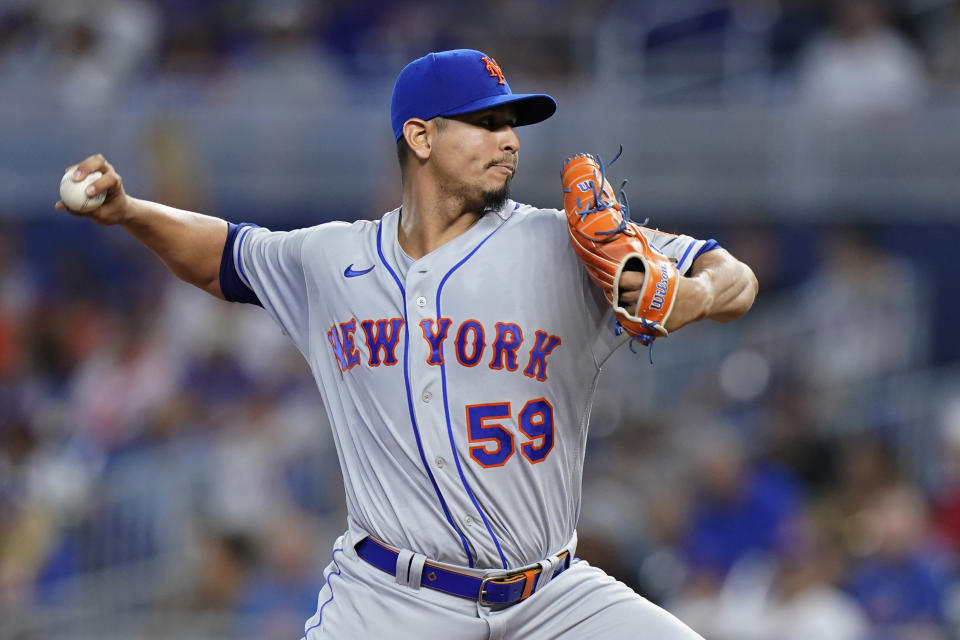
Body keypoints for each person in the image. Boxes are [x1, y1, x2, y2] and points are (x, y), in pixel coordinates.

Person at [58, 48, 757, 639]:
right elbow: (223, 254)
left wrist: (692, 294)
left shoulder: (559, 243)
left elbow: (733, 275)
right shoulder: (332, 260)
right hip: (389, 599)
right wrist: (129, 212)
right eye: (485, 123)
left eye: (511, 122)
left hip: (552, 599)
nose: (509, 139)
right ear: (420, 138)